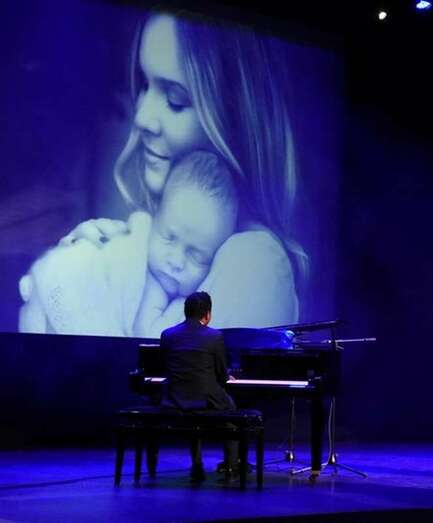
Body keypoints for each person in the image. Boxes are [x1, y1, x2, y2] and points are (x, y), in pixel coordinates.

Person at [24, 9, 303, 330]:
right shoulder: (142, 239)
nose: (141, 117)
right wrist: (88, 269)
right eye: (144, 85)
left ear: (236, 123)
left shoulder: (255, 262)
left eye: (174, 99)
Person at [18, 150, 238, 337]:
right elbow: (149, 335)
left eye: (197, 256)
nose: (176, 261)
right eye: (168, 238)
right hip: (57, 297)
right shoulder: (153, 283)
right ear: (155, 217)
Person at [160, 291, 237, 482]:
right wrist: (227, 376)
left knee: (195, 411)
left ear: (185, 311)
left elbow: (164, 368)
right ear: (207, 314)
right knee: (231, 410)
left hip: (175, 400)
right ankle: (231, 466)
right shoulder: (214, 337)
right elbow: (222, 376)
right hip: (206, 400)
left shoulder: (167, 335)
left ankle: (197, 464)